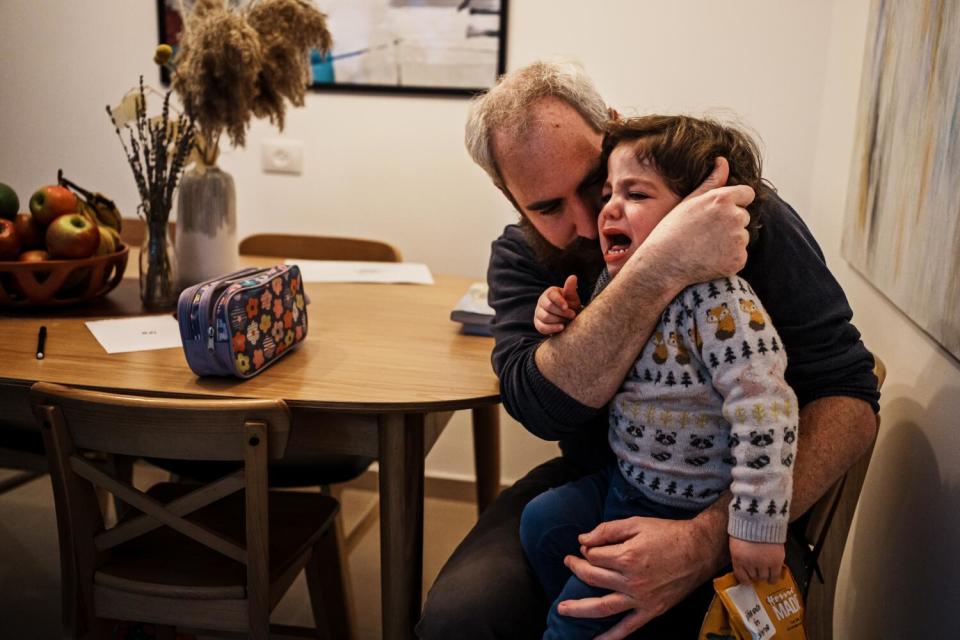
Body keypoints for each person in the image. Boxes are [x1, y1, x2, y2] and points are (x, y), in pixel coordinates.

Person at [417, 60, 879, 640]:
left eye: (593, 184)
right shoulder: (520, 256)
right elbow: (541, 407)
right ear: (506, 193)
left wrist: (705, 540)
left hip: (740, 497)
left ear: (614, 128)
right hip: (604, 475)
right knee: (461, 619)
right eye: (546, 207)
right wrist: (663, 263)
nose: (589, 222)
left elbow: (852, 399)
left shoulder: (742, 220)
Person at [521, 115, 798, 638]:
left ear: (697, 213)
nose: (607, 209)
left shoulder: (721, 303)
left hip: (686, 507)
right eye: (608, 192)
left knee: (569, 626)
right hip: (628, 481)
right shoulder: (613, 281)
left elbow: (769, 411)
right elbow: (602, 351)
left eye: (635, 193)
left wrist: (757, 524)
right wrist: (559, 318)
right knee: (540, 522)